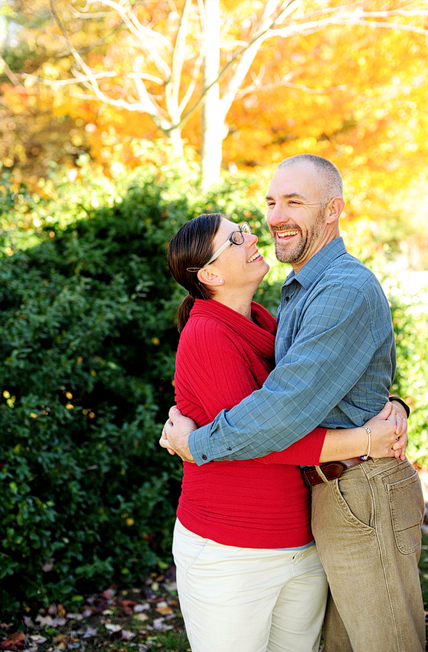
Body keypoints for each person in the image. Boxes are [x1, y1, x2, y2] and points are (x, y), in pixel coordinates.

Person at [161, 155, 424, 652]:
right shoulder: (289, 295)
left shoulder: (328, 292)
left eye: (294, 202)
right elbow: (283, 412)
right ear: (210, 275)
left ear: (332, 211)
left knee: (384, 641)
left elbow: (280, 411)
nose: (271, 220)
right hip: (294, 515)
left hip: (355, 491)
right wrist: (374, 425)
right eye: (270, 203)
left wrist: (196, 443)